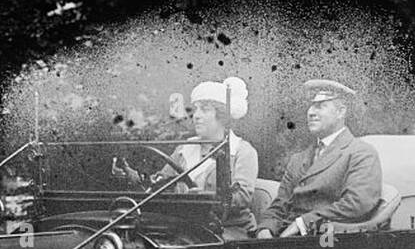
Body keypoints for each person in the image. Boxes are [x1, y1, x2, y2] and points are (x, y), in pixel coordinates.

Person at [122, 76, 260, 240]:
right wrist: (137, 179)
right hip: (187, 227)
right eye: (195, 109)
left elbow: (241, 197)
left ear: (222, 116)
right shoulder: (185, 148)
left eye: (205, 109)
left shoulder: (242, 151)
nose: (196, 116)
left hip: (229, 231)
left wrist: (203, 197)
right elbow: (162, 182)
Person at [256, 79, 383, 238]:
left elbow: (357, 203)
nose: (310, 112)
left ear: (341, 112)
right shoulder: (299, 158)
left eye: (320, 106)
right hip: (286, 239)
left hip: (326, 241)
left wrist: (302, 223)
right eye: (310, 106)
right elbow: (280, 204)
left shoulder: (361, 153)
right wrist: (265, 228)